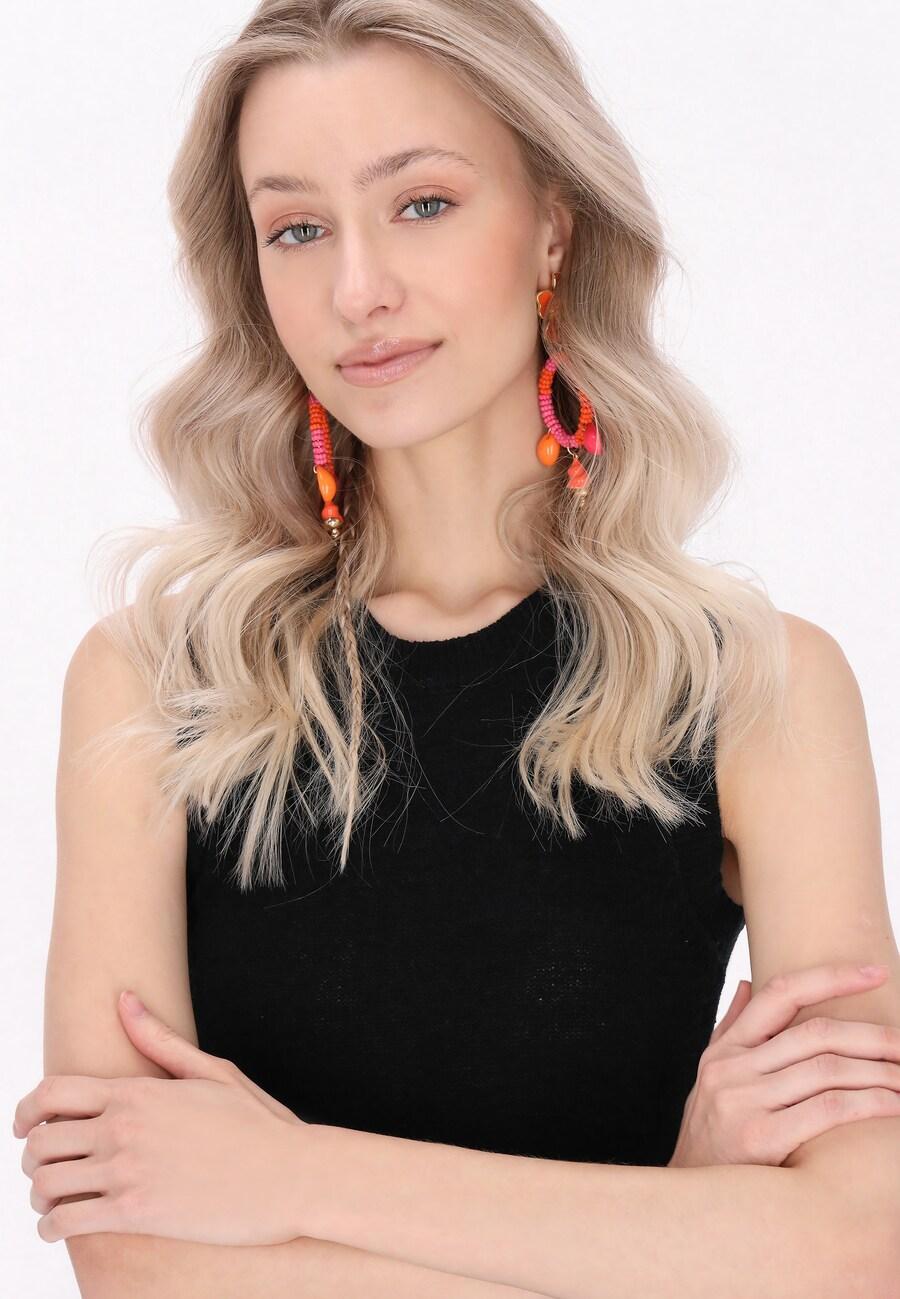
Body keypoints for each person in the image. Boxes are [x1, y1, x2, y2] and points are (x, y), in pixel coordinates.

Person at [19, 1, 900, 1295]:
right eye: (297, 229)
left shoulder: (755, 688)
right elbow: (136, 1266)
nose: (358, 290)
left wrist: (289, 1179)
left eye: (421, 203)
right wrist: (683, 1220)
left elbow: (862, 1245)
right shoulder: (157, 682)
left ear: (553, 223)